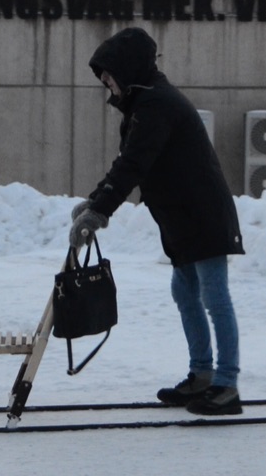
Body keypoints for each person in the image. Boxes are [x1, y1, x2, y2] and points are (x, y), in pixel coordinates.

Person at [69, 26, 246, 416]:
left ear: (127, 69)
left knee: (215, 298)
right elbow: (126, 163)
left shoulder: (156, 105)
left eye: (109, 77)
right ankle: (202, 375)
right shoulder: (144, 103)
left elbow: (134, 164)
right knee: (186, 294)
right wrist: (95, 202)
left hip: (203, 214)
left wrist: (99, 211)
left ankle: (226, 385)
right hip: (182, 217)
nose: (107, 86)